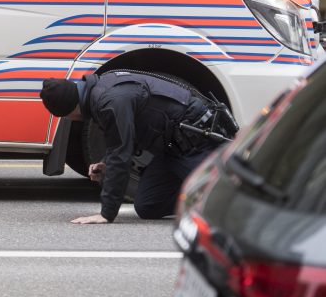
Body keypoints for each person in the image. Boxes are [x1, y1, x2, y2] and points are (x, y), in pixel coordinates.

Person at [40, 71, 226, 224]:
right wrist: (106, 164)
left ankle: (215, 195)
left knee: (225, 197)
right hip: (169, 149)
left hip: (195, 143)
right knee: (148, 205)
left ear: (71, 111)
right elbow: (125, 138)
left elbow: (120, 153)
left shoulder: (110, 102)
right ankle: (199, 198)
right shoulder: (100, 91)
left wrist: (106, 213)